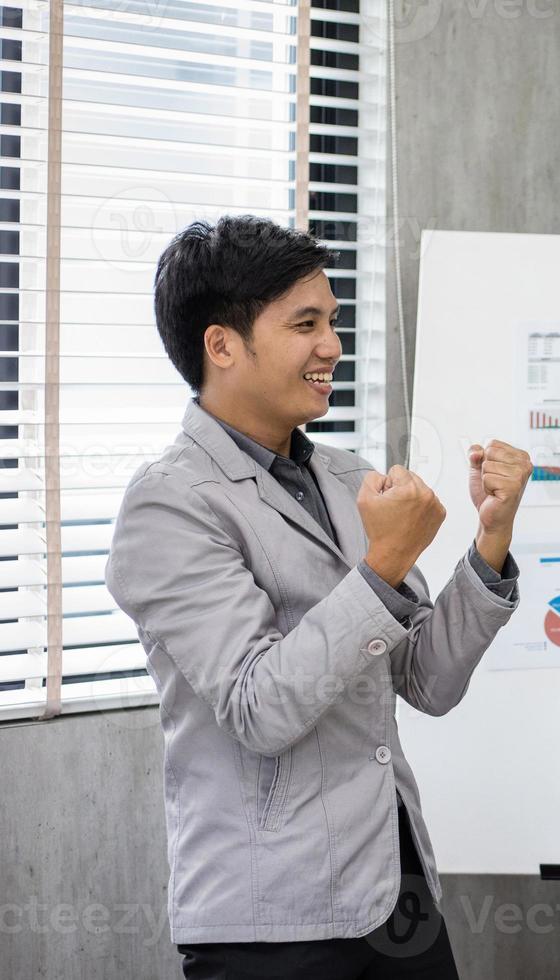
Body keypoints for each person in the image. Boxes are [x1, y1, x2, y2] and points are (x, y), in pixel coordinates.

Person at [106, 215, 534, 979]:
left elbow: (428, 681)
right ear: (222, 345)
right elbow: (258, 708)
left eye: (332, 321)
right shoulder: (168, 504)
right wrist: (384, 567)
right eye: (306, 324)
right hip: (275, 921)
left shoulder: (344, 476)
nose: (332, 345)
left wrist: (490, 541)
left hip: (398, 894)